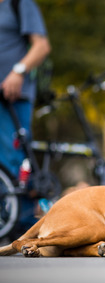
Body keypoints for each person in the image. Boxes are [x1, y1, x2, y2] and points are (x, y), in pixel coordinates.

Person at [0, 0, 51, 235]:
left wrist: (18, 72)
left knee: (13, 158)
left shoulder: (19, 3)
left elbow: (41, 46)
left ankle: (22, 222)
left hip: (12, 96)